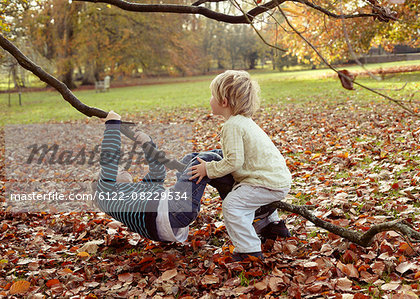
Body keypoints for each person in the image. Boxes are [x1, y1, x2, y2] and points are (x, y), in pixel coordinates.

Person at [94, 111, 290, 245]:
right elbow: (109, 160)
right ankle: (255, 197)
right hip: (171, 212)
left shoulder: (135, 195)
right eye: (117, 171)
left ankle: (264, 220)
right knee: (206, 160)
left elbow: (158, 173)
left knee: (192, 160)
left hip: (172, 217)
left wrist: (147, 145)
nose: (122, 168)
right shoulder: (107, 194)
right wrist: (112, 125)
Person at [190, 70, 292, 261]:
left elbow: (233, 161)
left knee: (232, 205)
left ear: (224, 102)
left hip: (264, 181)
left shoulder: (232, 125)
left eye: (213, 95)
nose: (210, 99)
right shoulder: (244, 122)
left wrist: (208, 169)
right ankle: (274, 226)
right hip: (276, 179)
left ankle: (249, 250)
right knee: (246, 194)